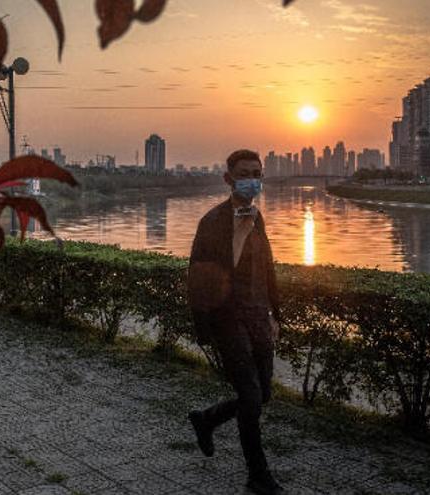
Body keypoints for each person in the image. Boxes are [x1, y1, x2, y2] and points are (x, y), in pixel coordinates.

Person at [187, 149, 284, 495]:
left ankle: (207, 419)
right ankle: (258, 475)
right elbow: (198, 277)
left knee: (264, 394)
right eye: (244, 173)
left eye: (257, 173)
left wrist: (276, 313)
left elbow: (268, 269)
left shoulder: (257, 218)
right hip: (228, 320)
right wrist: (203, 328)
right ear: (228, 178)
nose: (252, 179)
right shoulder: (212, 222)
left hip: (258, 316)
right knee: (251, 397)